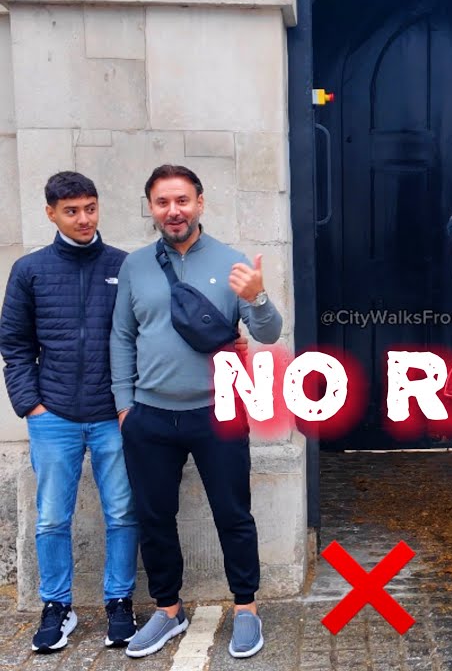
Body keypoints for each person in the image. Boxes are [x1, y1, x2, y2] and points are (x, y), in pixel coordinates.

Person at [111, 164, 282, 660]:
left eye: (182, 200)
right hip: (149, 417)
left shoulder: (231, 263)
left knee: (233, 514)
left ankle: (246, 608)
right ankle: (168, 610)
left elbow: (267, 333)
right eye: (162, 202)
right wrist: (125, 407)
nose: (173, 211)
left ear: (200, 203)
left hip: (219, 412)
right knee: (155, 517)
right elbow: (121, 337)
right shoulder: (136, 266)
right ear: (151, 208)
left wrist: (260, 297)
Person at [0, 171, 138, 653]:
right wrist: (31, 406)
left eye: (90, 208)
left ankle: (120, 600)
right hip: (53, 416)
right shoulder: (29, 270)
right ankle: (56, 606)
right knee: (51, 518)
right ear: (51, 213)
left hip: (112, 416)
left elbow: (140, 338)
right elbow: (14, 345)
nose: (84, 219)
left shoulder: (125, 265)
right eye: (72, 211)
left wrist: (130, 405)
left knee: (122, 511)